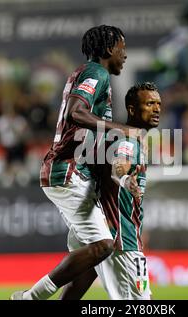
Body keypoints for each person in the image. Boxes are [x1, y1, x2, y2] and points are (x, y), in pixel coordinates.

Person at [10, 25, 141, 300]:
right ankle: (30, 297)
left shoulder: (86, 74)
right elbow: (76, 112)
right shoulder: (97, 73)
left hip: (74, 172)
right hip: (68, 171)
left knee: (91, 261)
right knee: (104, 246)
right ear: (108, 49)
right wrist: (121, 129)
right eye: (122, 48)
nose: (125, 55)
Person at [60, 82, 161, 300]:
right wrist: (124, 178)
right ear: (132, 110)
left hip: (99, 233)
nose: (157, 108)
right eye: (150, 103)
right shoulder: (128, 141)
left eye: (159, 103)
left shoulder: (123, 138)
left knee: (75, 290)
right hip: (120, 240)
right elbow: (119, 165)